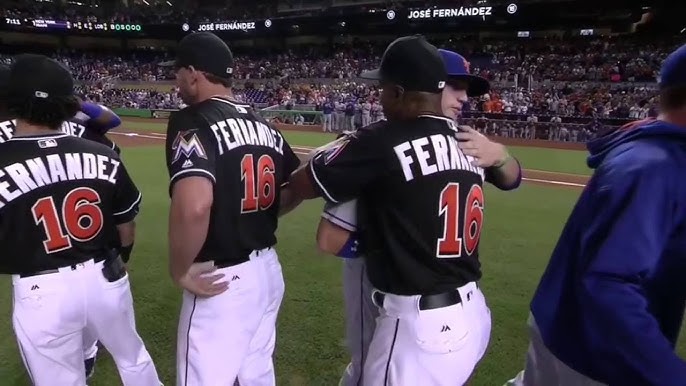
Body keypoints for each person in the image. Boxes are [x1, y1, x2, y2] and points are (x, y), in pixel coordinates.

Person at [282, 35, 494, 385]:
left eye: (382, 88)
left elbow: (303, 188)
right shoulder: (470, 145)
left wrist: (341, 146)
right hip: (473, 315)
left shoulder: (379, 140)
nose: (378, 96)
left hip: (419, 328)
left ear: (397, 92)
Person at [506, 43, 686, 386]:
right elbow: (609, 282)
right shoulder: (655, 167)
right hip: (593, 355)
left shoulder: (653, 156)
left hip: (570, 331)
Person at [0, 54, 160, 386]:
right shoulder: (100, 151)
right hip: (105, 276)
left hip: (40, 287)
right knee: (133, 360)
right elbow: (125, 222)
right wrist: (122, 258)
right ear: (68, 104)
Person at [161, 32, 300, 385]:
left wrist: (179, 271)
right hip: (267, 272)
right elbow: (298, 183)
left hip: (222, 279)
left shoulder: (192, 119)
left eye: (177, 73)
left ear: (193, 73)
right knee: (255, 372)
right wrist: (258, 212)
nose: (175, 81)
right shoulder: (262, 123)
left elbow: (194, 206)